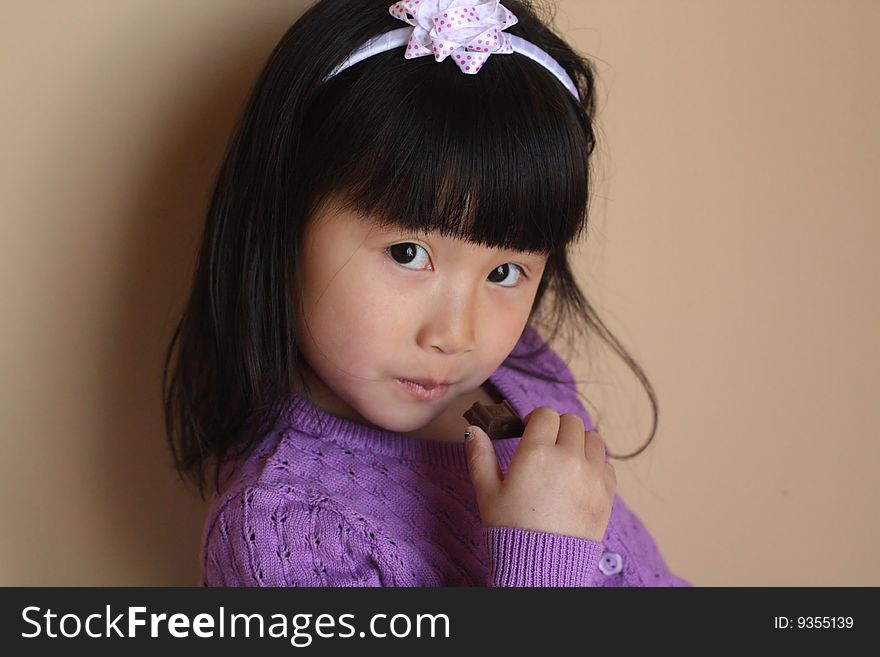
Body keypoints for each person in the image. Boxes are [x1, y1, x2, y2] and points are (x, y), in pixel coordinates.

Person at [163, 0, 691, 587]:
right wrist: (543, 559)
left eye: (504, 272)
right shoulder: (285, 532)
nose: (455, 336)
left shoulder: (525, 371)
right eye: (409, 253)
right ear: (283, 220)